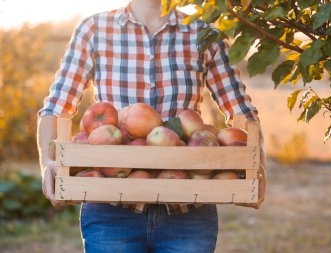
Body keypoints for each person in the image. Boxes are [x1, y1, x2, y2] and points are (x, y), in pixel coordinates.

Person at [36, 0, 267, 252]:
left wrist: (257, 166)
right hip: (111, 207)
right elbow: (55, 108)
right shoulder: (94, 30)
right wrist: (48, 162)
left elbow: (243, 112)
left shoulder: (204, 34)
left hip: (188, 208)